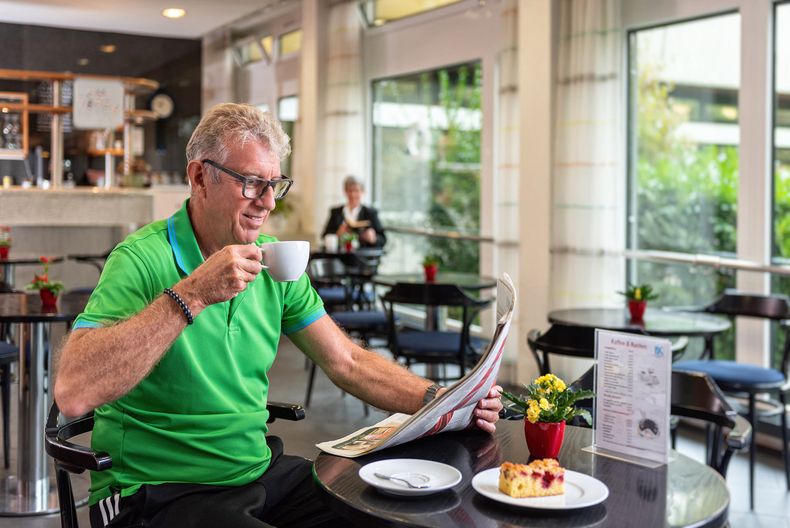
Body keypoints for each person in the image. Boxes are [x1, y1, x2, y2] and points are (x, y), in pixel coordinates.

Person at [54, 103, 502, 528]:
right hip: (155, 490)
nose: (267, 202)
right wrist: (192, 293)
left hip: (257, 471)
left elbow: (346, 361)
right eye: (251, 183)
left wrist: (443, 400)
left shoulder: (273, 262)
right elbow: (74, 392)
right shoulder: (140, 260)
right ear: (199, 177)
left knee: (381, 514)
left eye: (275, 184)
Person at [322, 176, 386, 248]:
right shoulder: (336, 212)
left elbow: (383, 240)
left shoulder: (371, 213)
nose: (353, 195)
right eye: (350, 191)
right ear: (345, 191)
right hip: (340, 255)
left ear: (362, 192)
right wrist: (337, 234)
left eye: (356, 191)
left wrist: (374, 239)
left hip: (363, 256)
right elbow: (324, 236)